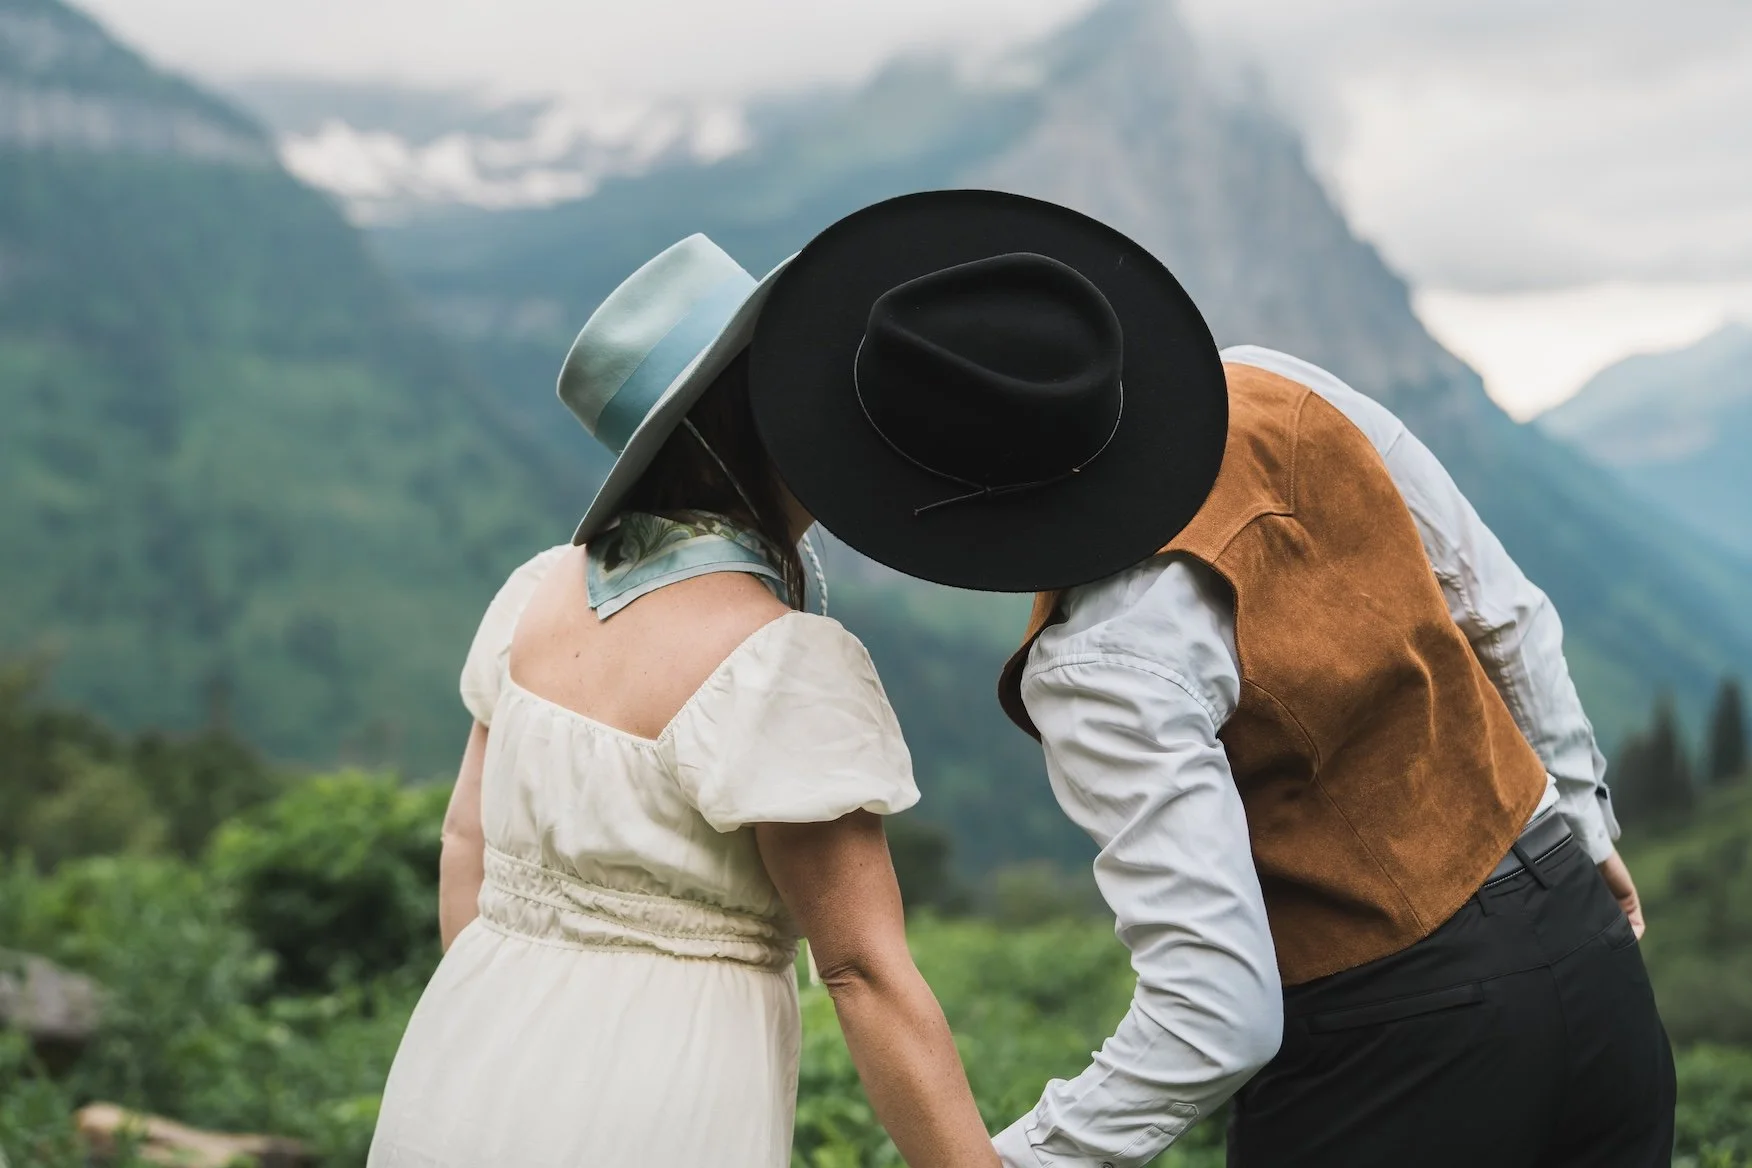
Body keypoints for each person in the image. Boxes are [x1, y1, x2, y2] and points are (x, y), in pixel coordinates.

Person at [740, 189, 1677, 1167]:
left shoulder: (1100, 657)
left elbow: (1219, 1014)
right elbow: (1506, 615)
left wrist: (1016, 1161)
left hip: (1392, 1052)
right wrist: (1580, 817)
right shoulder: (1278, 388)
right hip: (1590, 965)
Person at [367, 235, 997, 1168]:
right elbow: (864, 971)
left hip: (465, 1062)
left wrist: (512, 1004)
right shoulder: (777, 663)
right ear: (751, 420)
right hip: (662, 1099)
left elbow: (468, 843)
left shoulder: (535, 593)